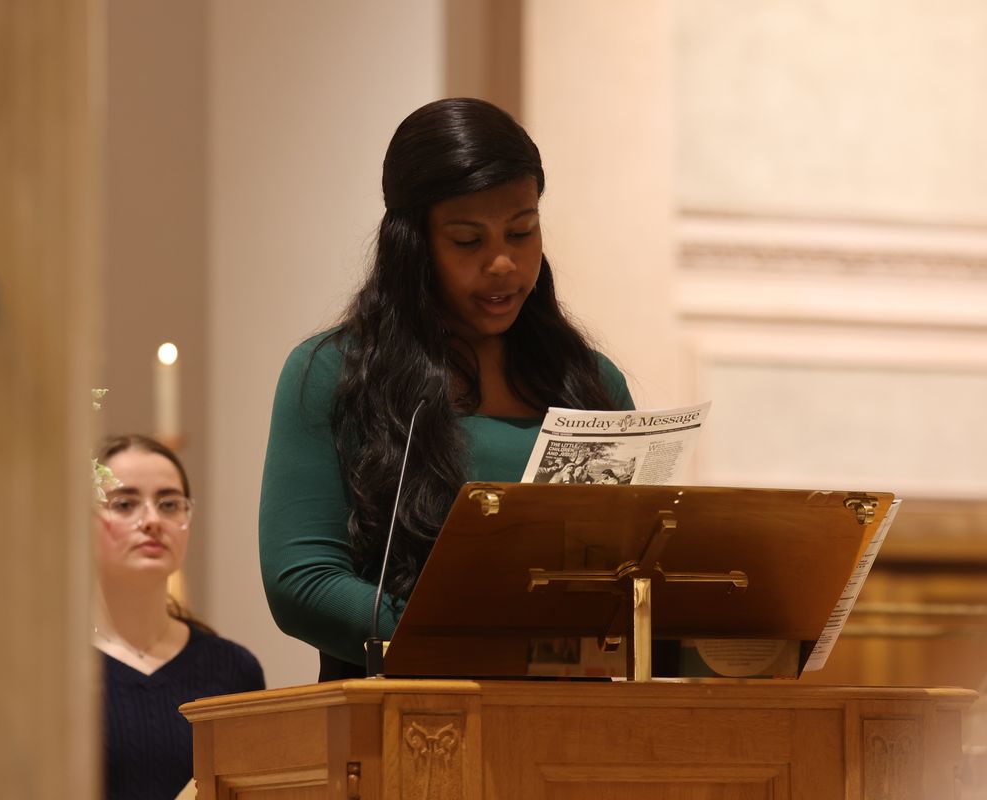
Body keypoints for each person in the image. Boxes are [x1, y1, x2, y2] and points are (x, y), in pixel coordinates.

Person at [259, 97, 635, 681]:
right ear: (413, 247)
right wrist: (461, 634)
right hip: (402, 719)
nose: (504, 263)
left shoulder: (590, 381)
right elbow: (302, 581)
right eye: (468, 241)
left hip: (573, 718)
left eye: (522, 232)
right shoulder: (335, 374)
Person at [94, 434, 265, 800]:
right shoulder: (51, 671)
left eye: (169, 504)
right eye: (125, 504)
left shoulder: (234, 669)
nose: (152, 520)